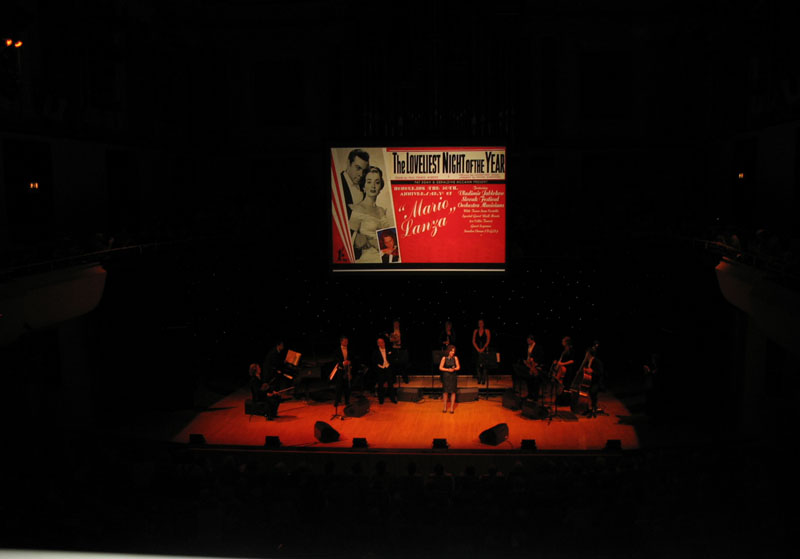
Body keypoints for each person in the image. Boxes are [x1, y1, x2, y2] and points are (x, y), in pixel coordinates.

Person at [349, 166, 394, 263]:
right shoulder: (358, 209)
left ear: (380, 187)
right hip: (367, 260)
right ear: (363, 186)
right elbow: (350, 241)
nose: (373, 186)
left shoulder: (382, 210)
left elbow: (391, 241)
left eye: (377, 182)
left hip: (386, 259)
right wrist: (370, 242)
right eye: (369, 182)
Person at [513, 334, 544, 400]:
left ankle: (535, 396)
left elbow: (541, 357)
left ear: (532, 340)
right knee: (528, 379)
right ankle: (530, 394)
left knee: (535, 380)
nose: (527, 342)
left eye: (529, 340)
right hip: (529, 365)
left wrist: (535, 361)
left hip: (535, 366)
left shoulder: (538, 347)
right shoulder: (528, 347)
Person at [372, 337, 397, 404]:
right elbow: (374, 361)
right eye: (380, 343)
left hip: (388, 368)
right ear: (378, 344)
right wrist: (379, 365)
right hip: (380, 369)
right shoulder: (375, 352)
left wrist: (390, 363)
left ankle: (393, 398)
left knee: (390, 384)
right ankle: (381, 400)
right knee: (380, 385)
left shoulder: (388, 349)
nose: (382, 344)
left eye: (382, 342)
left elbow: (393, 357)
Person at [331, 335, 353, 409]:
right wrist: (343, 363)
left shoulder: (350, 349)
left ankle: (347, 401)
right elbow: (335, 360)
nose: (346, 343)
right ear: (341, 342)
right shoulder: (337, 350)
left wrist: (350, 362)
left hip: (347, 370)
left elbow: (352, 358)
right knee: (339, 386)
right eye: (345, 341)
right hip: (340, 370)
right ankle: (337, 401)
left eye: (347, 341)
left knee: (347, 386)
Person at [439, 345, 460, 414]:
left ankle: (451, 408)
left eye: (454, 351)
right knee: (445, 392)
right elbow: (440, 367)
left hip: (453, 376)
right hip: (446, 377)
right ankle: (445, 407)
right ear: (448, 351)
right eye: (451, 351)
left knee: (453, 392)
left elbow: (458, 367)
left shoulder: (455, 358)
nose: (453, 352)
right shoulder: (444, 358)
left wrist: (454, 369)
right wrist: (448, 370)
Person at [472, 319, 491, 384]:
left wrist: (483, 348)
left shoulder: (487, 331)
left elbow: (488, 340)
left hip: (484, 349)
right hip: (477, 349)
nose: (480, 324)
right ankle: (479, 378)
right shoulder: (475, 331)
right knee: (477, 364)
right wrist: (477, 349)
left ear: (483, 324)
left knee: (484, 365)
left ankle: (483, 378)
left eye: (481, 323)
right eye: (479, 323)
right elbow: (473, 341)